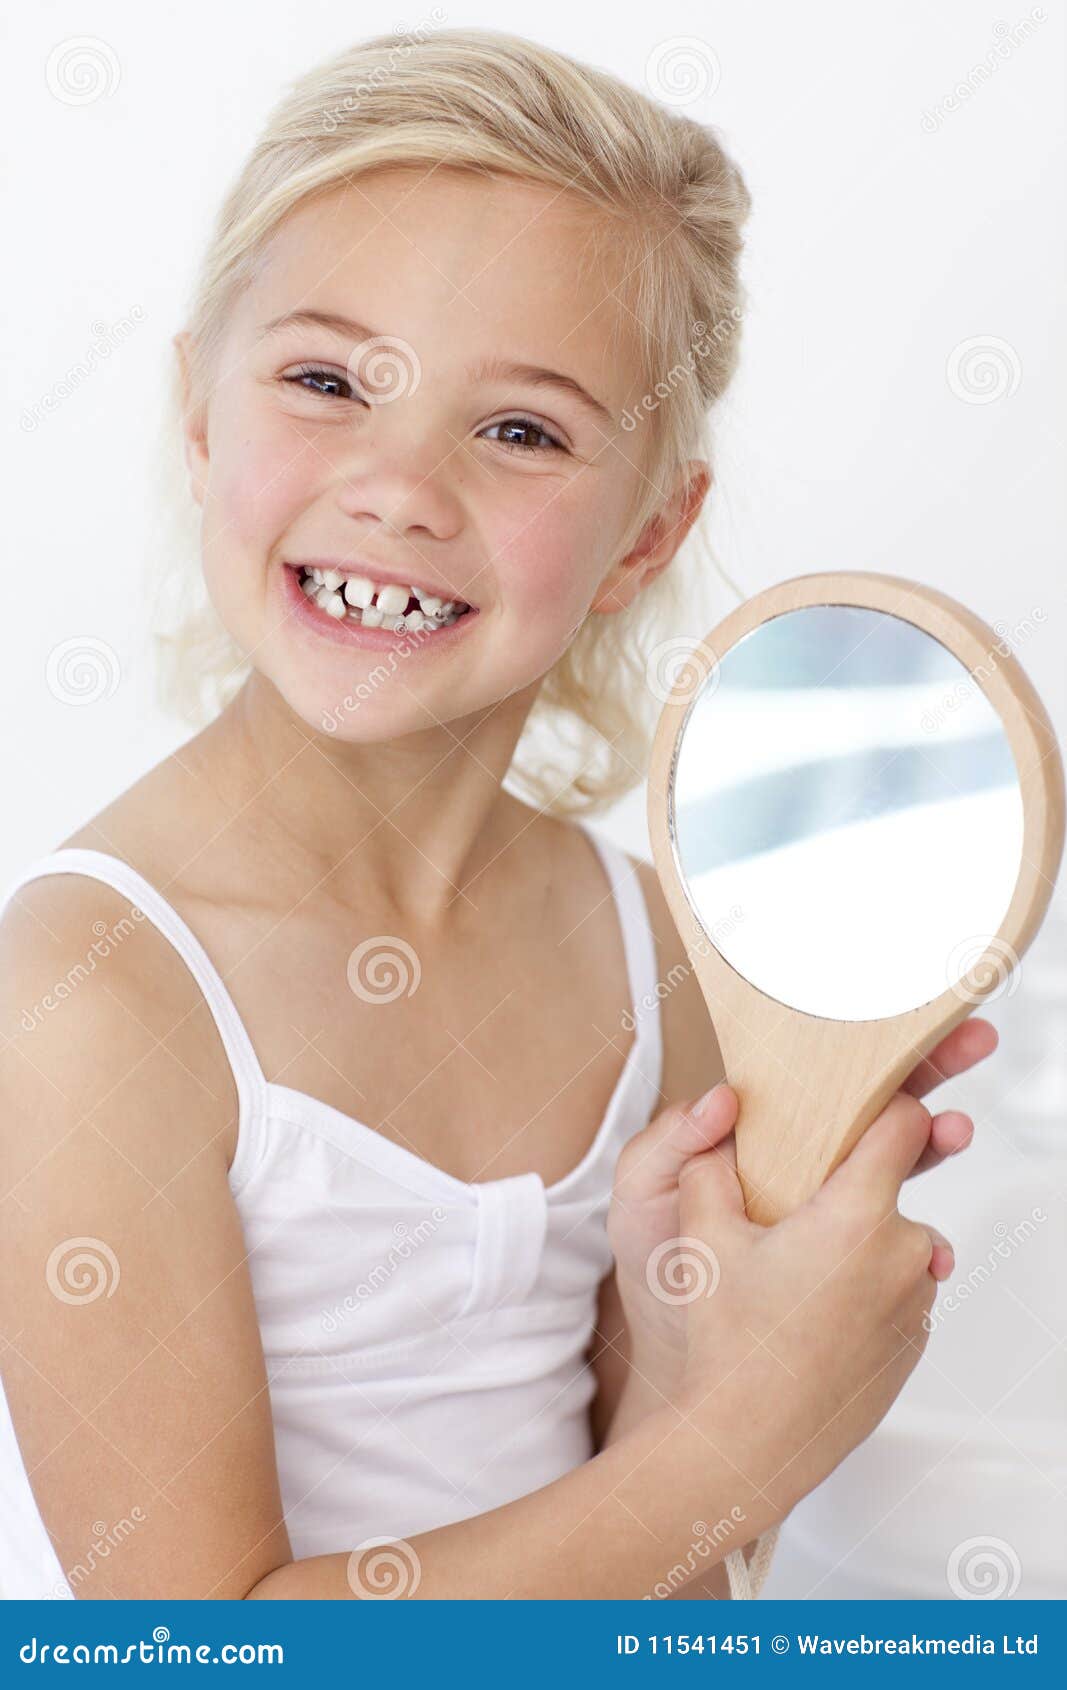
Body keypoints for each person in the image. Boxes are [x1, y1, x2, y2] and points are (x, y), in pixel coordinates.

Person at [0, 27, 992, 1601]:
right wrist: (749, 1429)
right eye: (326, 381)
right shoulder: (86, 995)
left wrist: (701, 1358)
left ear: (646, 535)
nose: (399, 487)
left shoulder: (663, 948)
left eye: (521, 429)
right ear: (198, 416)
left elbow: (657, 1593)